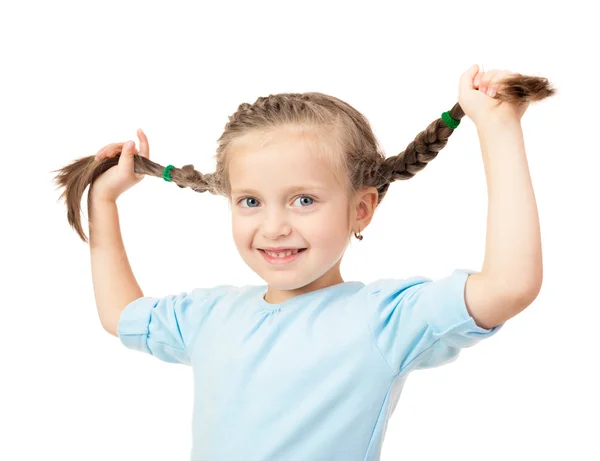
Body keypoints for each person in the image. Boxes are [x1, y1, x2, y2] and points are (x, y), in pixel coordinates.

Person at [52, 64, 553, 460]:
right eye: (251, 201)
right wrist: (105, 203)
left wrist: (496, 126)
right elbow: (120, 316)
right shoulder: (209, 316)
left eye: (303, 200)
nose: (273, 227)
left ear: (362, 208)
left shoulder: (386, 318)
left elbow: (510, 284)